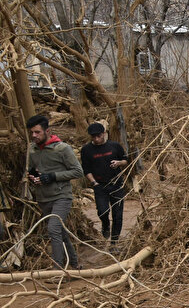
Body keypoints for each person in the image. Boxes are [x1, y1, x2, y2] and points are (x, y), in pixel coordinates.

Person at [25, 114, 83, 270]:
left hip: (62, 197)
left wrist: (52, 177)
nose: (34, 136)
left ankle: (58, 270)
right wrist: (34, 177)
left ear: (48, 131)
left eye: (37, 132)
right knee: (60, 232)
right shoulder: (32, 150)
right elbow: (32, 170)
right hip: (43, 198)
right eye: (32, 133)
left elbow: (78, 172)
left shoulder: (63, 148)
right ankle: (75, 263)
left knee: (53, 229)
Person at [79, 122, 129, 249]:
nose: (96, 139)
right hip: (100, 185)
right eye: (93, 137)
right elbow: (86, 169)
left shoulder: (114, 146)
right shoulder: (86, 150)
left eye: (99, 136)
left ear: (104, 134)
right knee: (102, 211)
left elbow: (126, 160)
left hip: (116, 184)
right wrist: (93, 182)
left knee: (118, 215)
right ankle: (105, 224)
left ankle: (114, 243)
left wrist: (118, 163)